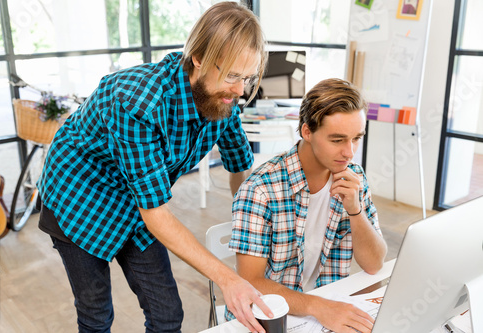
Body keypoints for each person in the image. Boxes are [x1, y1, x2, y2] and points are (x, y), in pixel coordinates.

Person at [37, 2, 273, 332]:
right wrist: (227, 278)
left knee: (167, 314)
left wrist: (247, 224)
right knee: (96, 312)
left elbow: (240, 170)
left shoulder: (225, 101)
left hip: (138, 203)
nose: (240, 90)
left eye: (247, 77)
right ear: (199, 59)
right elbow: (157, 215)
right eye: (232, 75)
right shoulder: (137, 103)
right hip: (78, 198)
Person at [227, 78, 388, 333]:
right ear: (307, 132)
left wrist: (355, 211)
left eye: (356, 138)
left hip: (327, 306)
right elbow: (251, 282)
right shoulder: (259, 190)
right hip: (269, 316)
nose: (349, 152)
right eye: (337, 140)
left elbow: (374, 264)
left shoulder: (353, 176)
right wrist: (319, 307)